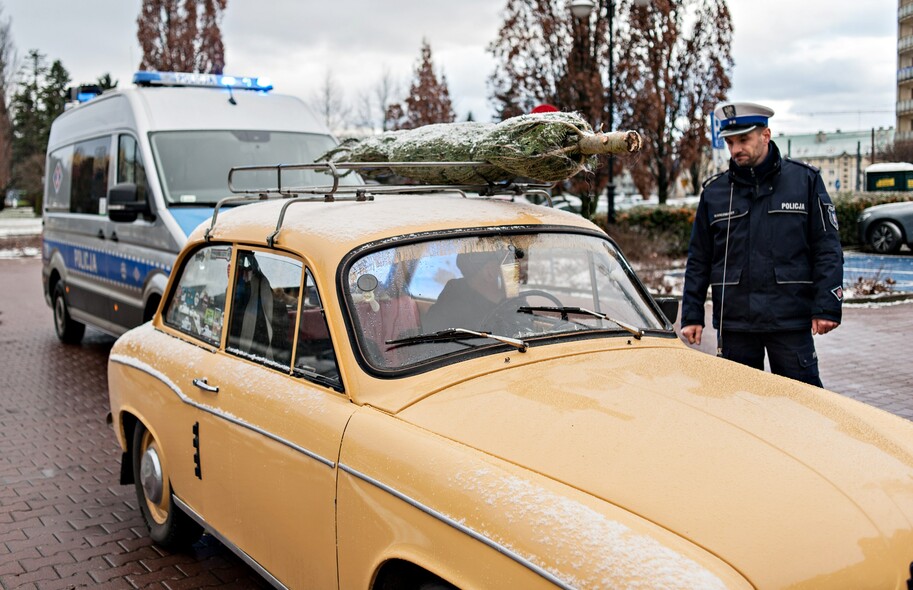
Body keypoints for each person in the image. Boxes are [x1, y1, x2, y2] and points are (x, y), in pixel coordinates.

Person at [680, 102, 844, 387]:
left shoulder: (805, 180)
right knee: (739, 409)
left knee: (804, 406)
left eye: (743, 140)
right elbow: (699, 257)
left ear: (765, 135)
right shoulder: (716, 192)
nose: (735, 149)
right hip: (735, 324)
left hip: (789, 321)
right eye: (730, 142)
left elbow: (827, 247)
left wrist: (827, 305)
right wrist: (692, 314)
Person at [423, 249, 508, 332]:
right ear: (489, 274)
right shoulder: (475, 323)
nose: (515, 268)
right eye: (505, 263)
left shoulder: (454, 289)